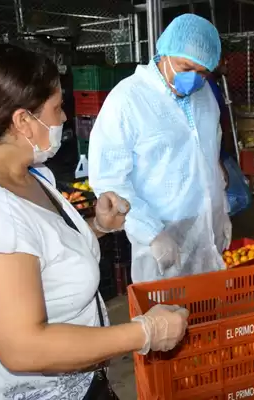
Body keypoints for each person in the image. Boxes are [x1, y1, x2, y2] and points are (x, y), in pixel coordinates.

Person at [0, 43, 190, 399]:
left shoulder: (32, 176)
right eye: (56, 107)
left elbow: (43, 254)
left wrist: (98, 226)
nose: (64, 118)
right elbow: (24, 347)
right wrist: (145, 332)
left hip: (81, 382)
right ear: (22, 122)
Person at [88, 14, 231, 284]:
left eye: (202, 72)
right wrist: (152, 233)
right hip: (160, 233)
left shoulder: (204, 95)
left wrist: (220, 210)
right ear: (164, 53)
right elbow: (109, 179)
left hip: (205, 227)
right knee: (165, 317)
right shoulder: (128, 100)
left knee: (208, 308)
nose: (194, 79)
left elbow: (209, 158)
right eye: (185, 67)